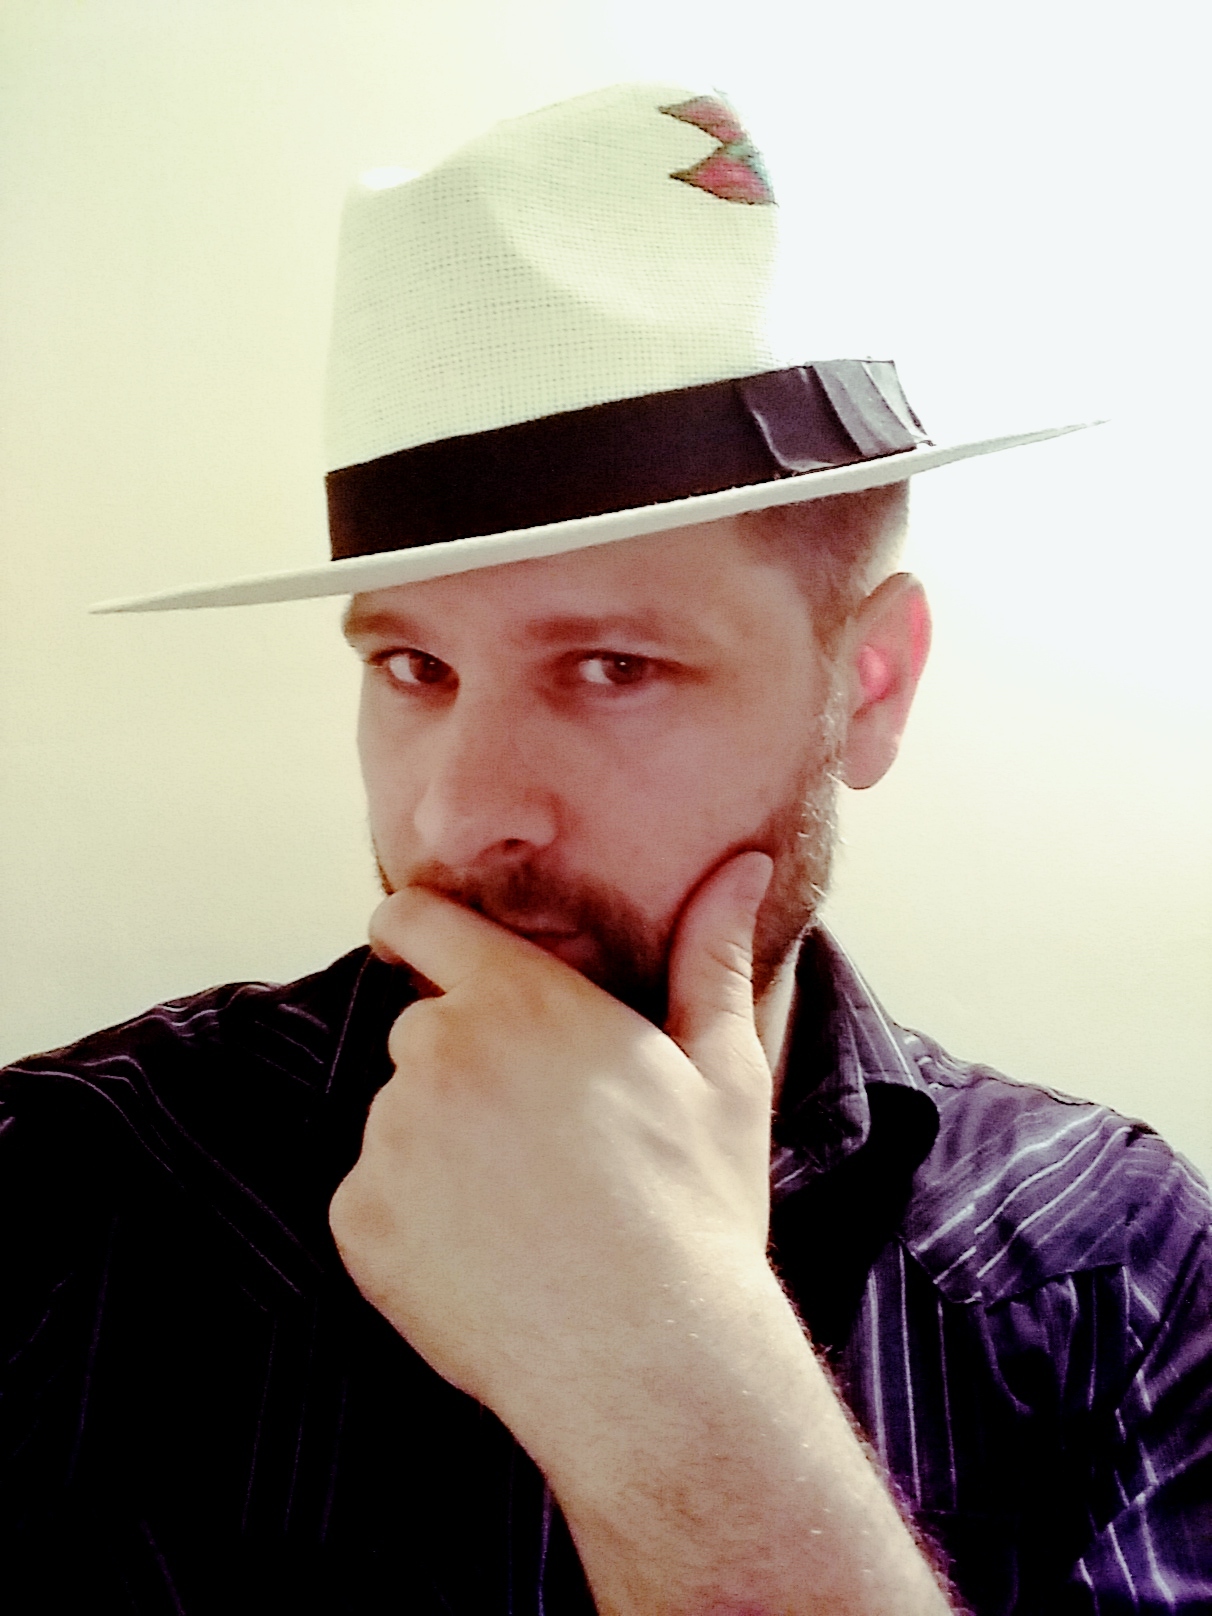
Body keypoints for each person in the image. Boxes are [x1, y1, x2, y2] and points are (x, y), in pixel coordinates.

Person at [2, 83, 1209, 1615]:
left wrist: (672, 1384)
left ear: (869, 687)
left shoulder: (1105, 1265)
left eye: (613, 667)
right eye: (412, 667)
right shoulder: (67, 1193)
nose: (457, 815)